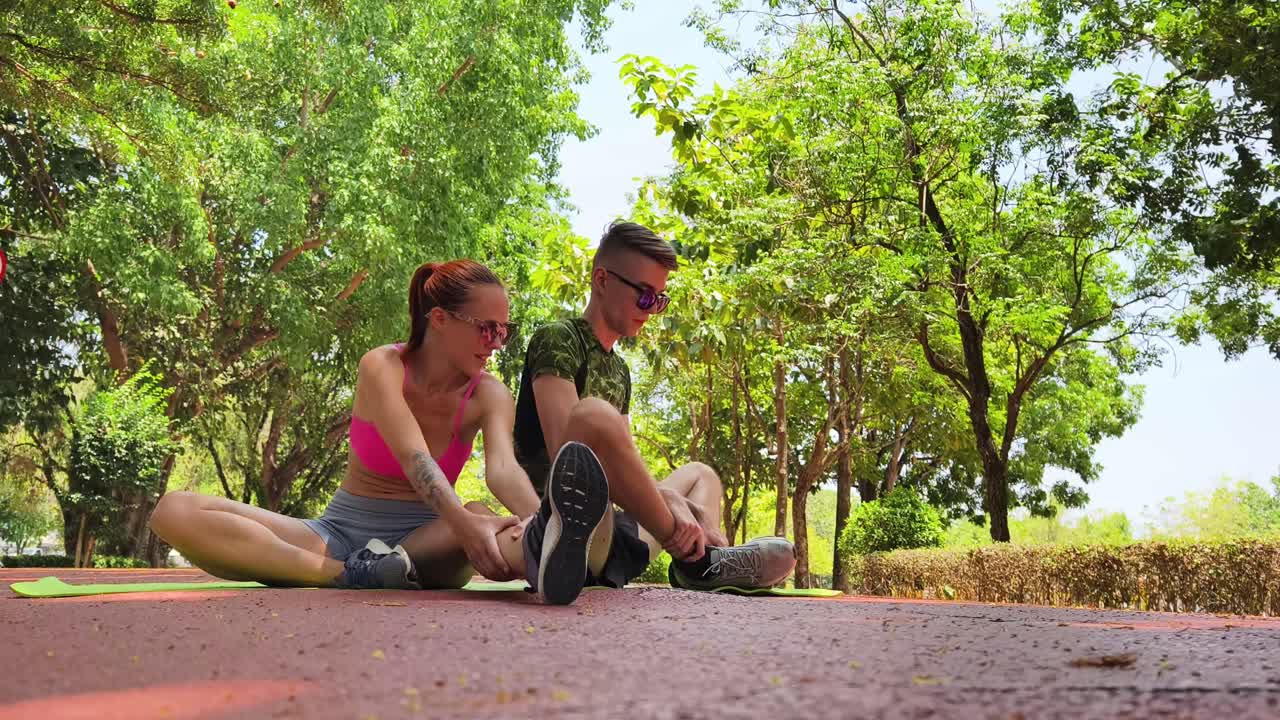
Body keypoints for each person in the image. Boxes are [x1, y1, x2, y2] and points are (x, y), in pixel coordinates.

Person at [150, 260, 609, 605]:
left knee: (482, 517)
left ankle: (542, 544)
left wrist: (542, 516)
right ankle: (344, 574)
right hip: (336, 535)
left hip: (427, 541)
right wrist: (463, 525)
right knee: (174, 510)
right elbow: (415, 459)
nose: (495, 342)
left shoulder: (489, 394)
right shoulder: (381, 366)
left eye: (503, 332)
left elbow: (503, 471)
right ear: (440, 319)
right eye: (486, 328)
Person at [512, 221, 796, 592]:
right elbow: (568, 460)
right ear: (602, 280)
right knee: (595, 417)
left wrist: (674, 499)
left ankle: (695, 564)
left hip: (610, 539)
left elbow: (623, 469)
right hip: (562, 532)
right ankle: (702, 561)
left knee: (701, 475)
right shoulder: (558, 339)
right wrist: (671, 503)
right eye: (645, 295)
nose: (652, 309)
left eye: (660, 299)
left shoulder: (619, 369)